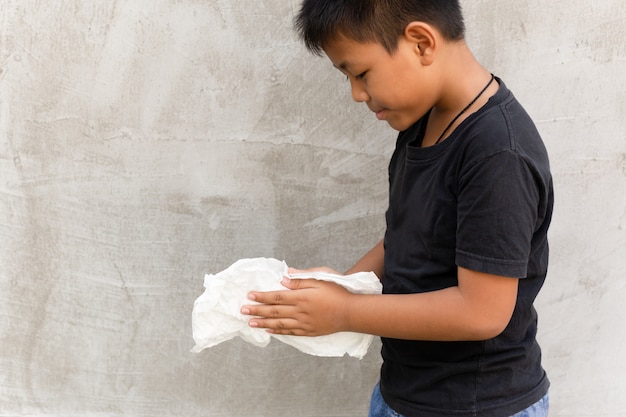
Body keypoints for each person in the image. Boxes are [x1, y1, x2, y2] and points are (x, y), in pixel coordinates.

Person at [241, 1, 553, 416]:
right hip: (404, 393)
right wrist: (348, 284)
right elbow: (409, 235)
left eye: (361, 73)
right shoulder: (424, 122)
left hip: (477, 406)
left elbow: (482, 312)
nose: (356, 94)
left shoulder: (497, 153)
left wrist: (346, 312)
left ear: (421, 43)